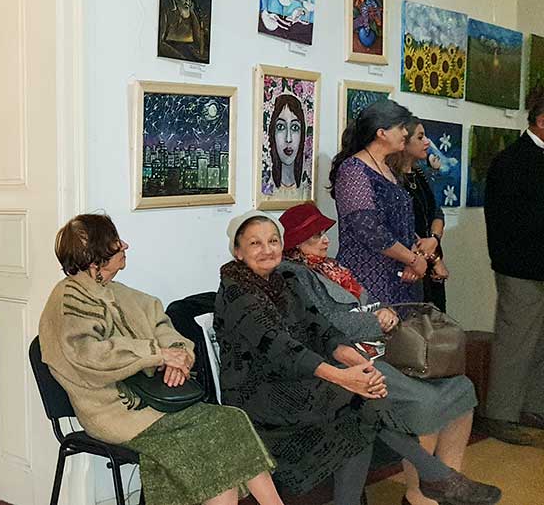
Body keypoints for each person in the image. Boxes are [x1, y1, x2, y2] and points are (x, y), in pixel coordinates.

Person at [215, 211, 501, 505]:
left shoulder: (284, 280)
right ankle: (436, 476)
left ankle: (432, 478)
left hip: (295, 379)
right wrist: (343, 377)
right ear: (238, 252)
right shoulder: (237, 292)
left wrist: (360, 365)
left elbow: (322, 330)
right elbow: (282, 349)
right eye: (255, 243)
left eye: (273, 241)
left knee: (362, 406)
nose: (267, 250)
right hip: (260, 392)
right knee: (360, 404)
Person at [39, 214, 283, 505]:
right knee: (212, 443)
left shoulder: (121, 294)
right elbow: (88, 354)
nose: (124, 245)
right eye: (115, 241)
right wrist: (156, 353)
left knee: (231, 421)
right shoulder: (68, 299)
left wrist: (179, 358)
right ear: (94, 257)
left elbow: (163, 328)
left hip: (161, 401)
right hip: (115, 412)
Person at [278, 203, 477, 505]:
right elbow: (325, 325)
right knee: (427, 401)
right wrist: (376, 320)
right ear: (295, 243)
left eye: (324, 233)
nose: (325, 240)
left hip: (380, 348)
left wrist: (384, 311)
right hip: (346, 359)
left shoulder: (331, 267)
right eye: (314, 236)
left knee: (461, 388)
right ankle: (419, 494)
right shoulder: (292, 275)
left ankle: (446, 485)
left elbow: (369, 301)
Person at [479, 87, 544, 446]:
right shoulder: (511, 161)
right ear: (541, 121)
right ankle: (500, 414)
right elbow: (508, 222)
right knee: (515, 343)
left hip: (536, 265)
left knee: (540, 343)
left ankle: (534, 407)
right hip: (520, 268)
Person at [329, 99, 424, 305]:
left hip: (401, 277)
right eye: (400, 127)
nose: (405, 133)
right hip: (368, 278)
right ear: (381, 133)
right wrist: (412, 259)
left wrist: (414, 253)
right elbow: (367, 228)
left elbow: (402, 222)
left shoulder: (389, 168)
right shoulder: (353, 170)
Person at [387, 118, 449, 311]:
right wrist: (432, 257)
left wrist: (434, 240)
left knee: (436, 320)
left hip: (430, 261)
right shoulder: (390, 178)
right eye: (420, 137)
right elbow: (398, 226)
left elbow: (437, 213)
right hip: (406, 264)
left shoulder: (422, 174)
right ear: (404, 142)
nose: (427, 142)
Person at [267, 94, 307, 191]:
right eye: (281, 127)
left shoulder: (307, 189)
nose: (288, 139)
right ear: (272, 133)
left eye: (295, 127)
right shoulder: (266, 187)